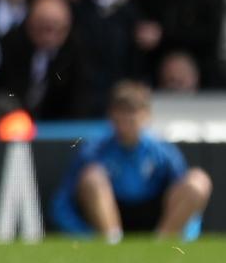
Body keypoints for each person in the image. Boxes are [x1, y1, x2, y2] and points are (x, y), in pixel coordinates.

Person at [51, 81, 212, 242]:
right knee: (92, 177)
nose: (127, 119)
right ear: (111, 115)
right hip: (108, 219)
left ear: (146, 115)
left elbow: (187, 199)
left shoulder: (162, 152)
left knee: (198, 181)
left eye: (133, 111)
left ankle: (162, 245)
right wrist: (85, 235)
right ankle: (112, 243)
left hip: (154, 218)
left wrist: (187, 235)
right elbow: (62, 204)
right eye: (121, 111)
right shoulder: (94, 151)